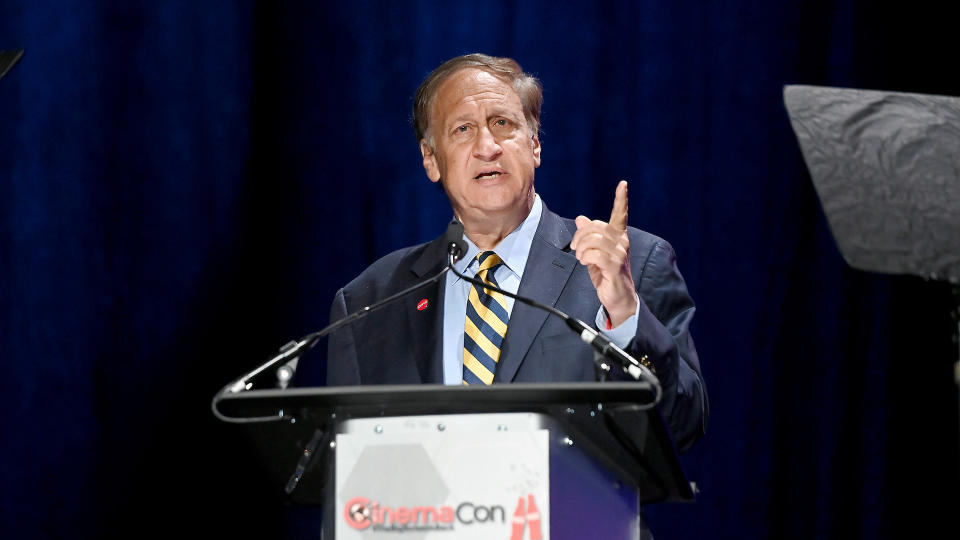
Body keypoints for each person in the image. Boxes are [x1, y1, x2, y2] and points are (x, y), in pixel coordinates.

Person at [326, 53, 707, 451]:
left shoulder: (630, 266)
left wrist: (627, 317)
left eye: (502, 124)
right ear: (430, 159)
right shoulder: (370, 303)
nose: (487, 146)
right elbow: (348, 476)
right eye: (463, 129)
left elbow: (682, 426)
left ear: (535, 144)